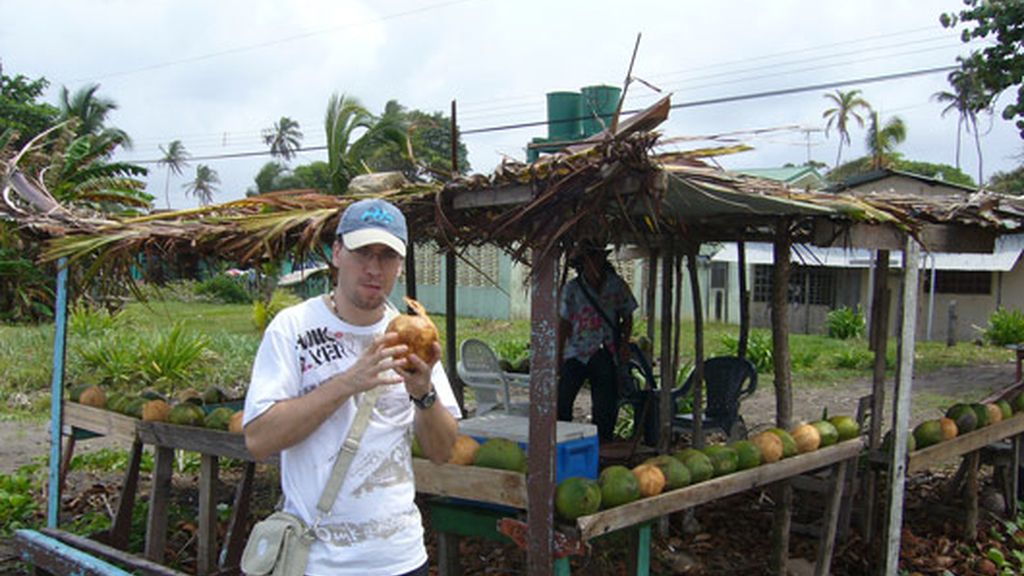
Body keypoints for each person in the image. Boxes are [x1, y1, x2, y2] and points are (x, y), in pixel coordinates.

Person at [243, 197, 460, 576]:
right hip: (317, 563)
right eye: (362, 252)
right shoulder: (293, 328)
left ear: (400, 264)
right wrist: (347, 383)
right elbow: (259, 439)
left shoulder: (412, 337)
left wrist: (424, 394)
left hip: (400, 559)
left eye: (387, 256)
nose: (374, 268)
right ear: (338, 253)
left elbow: (442, 452)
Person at [557, 242, 638, 442]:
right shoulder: (572, 289)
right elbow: (564, 323)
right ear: (583, 262)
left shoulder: (616, 285)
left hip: (605, 350)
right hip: (577, 351)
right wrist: (558, 355)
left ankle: (602, 442)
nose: (595, 262)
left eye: (597, 257)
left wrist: (624, 343)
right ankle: (561, 439)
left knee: (605, 405)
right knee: (562, 399)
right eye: (590, 258)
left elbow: (627, 316)